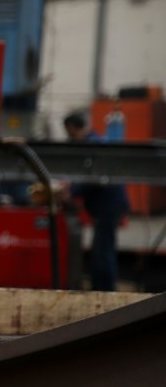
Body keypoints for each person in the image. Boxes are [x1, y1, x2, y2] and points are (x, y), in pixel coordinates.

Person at [62, 111, 130, 291]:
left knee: (103, 251)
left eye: (70, 132)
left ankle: (105, 292)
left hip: (108, 206)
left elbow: (92, 178)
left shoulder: (92, 145)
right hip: (108, 205)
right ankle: (102, 288)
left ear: (73, 129)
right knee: (101, 249)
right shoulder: (95, 142)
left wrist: (71, 191)